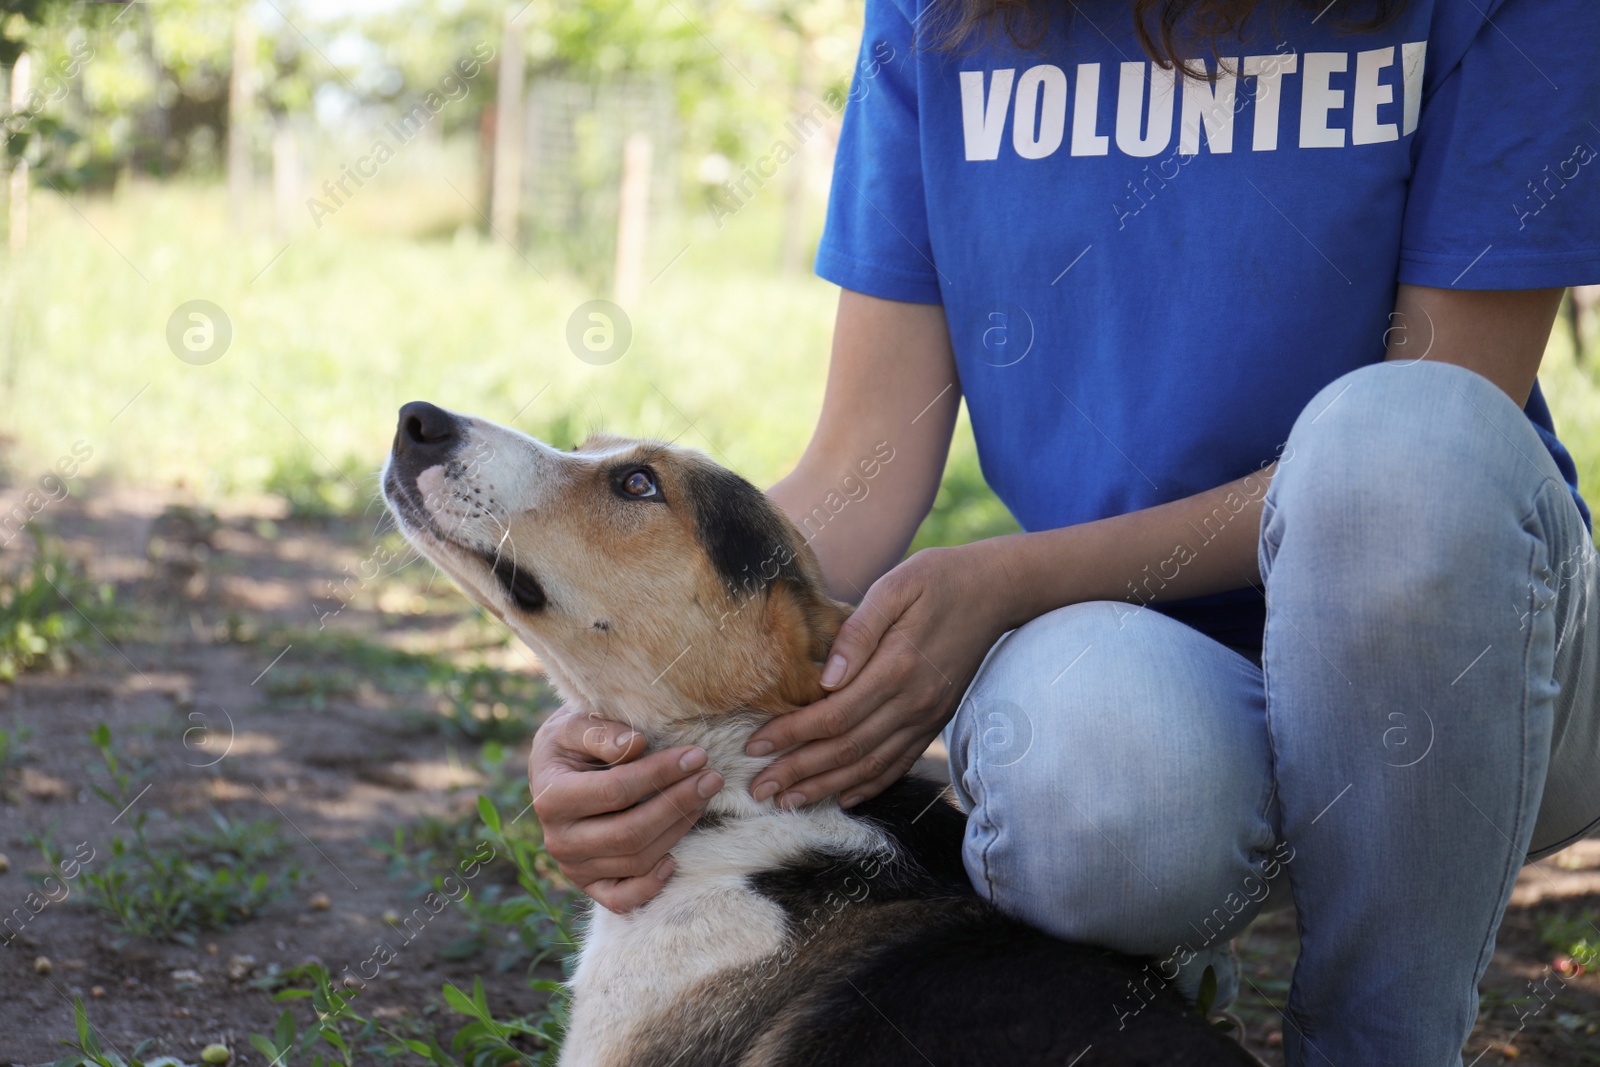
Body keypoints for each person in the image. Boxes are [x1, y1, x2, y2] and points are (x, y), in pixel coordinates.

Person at [528, 0, 1600, 1061]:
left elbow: (1439, 417)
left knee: (1396, 438)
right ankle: (1146, 1010)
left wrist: (1010, 582)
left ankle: (1380, 1046)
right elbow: (857, 470)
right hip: (1154, 677)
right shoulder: (935, 16)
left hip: (1480, 674)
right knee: (1069, 757)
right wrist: (611, 713)